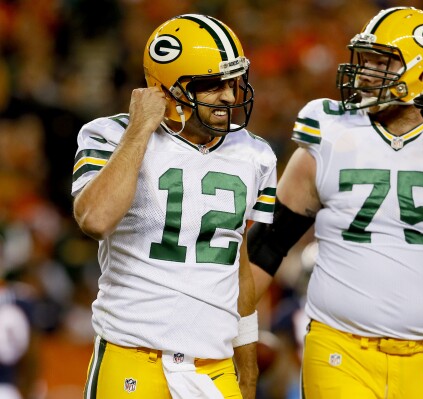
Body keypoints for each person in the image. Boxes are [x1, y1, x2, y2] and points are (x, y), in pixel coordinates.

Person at [248, 7, 423, 399]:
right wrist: (225, 319)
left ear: (422, 71)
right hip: (339, 348)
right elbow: (269, 242)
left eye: (382, 62)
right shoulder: (331, 129)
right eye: (366, 60)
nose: (364, 73)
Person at [72, 14, 277, 399]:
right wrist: (139, 131)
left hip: (214, 366)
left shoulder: (255, 154)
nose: (230, 97)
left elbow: (239, 266)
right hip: (133, 358)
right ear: (168, 90)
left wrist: (246, 368)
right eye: (212, 85)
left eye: (232, 82)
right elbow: (94, 219)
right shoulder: (111, 134)